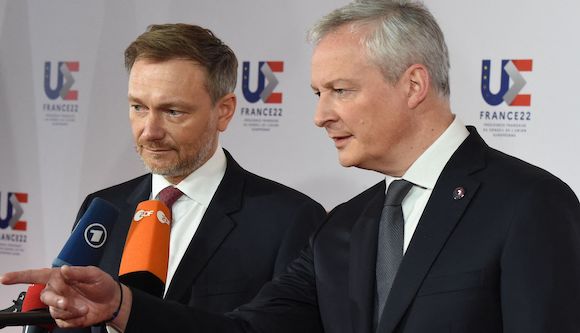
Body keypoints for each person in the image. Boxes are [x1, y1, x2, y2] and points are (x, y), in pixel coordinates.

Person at [3, 1, 580, 332]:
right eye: (315, 93)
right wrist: (123, 307)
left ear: (413, 85)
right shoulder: (346, 226)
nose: (321, 115)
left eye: (340, 91)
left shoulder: (528, 204)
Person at [11, 23, 327, 332]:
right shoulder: (104, 207)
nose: (149, 132)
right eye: (138, 107)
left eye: (173, 111)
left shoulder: (289, 219)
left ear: (224, 111)